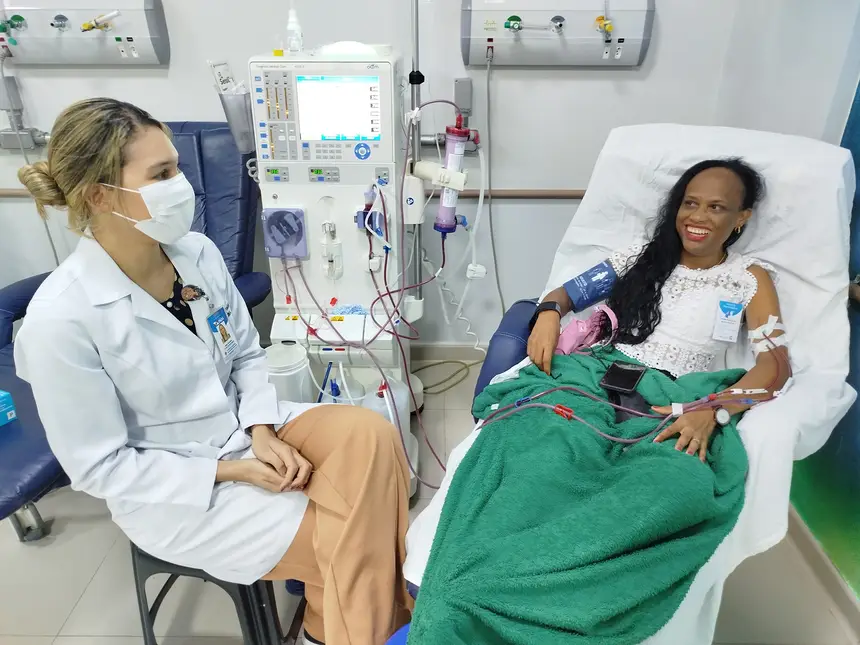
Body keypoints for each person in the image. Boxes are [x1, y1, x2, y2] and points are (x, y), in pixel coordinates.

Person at [14, 98, 412, 645]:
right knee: (357, 538)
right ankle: (357, 624)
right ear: (99, 195)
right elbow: (99, 468)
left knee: (372, 436)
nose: (182, 186)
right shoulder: (61, 320)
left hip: (244, 428)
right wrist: (233, 471)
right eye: (161, 175)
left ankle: (334, 622)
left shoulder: (195, 253)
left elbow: (246, 353)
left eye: (176, 168)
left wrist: (261, 430)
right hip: (178, 489)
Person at [528, 158, 789, 458]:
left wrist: (714, 409)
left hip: (669, 400)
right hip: (593, 377)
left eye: (716, 207)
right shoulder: (639, 258)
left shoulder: (747, 279)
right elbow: (566, 295)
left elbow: (775, 367)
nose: (698, 216)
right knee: (543, 442)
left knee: (657, 474)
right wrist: (549, 313)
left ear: (741, 217)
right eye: (690, 203)